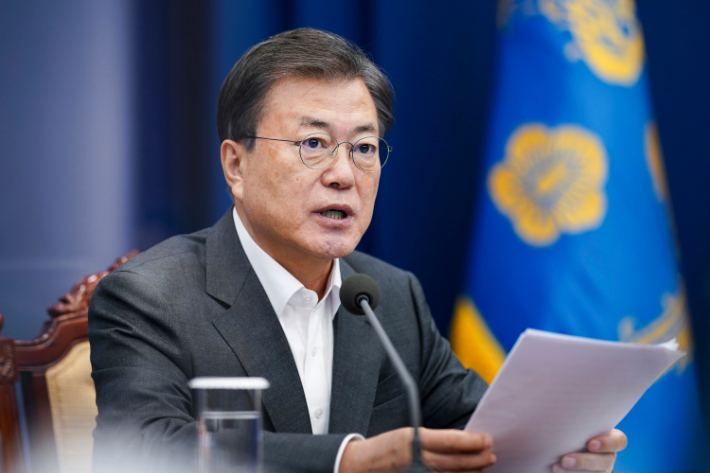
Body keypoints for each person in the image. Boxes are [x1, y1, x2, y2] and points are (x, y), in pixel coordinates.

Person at [89, 28, 627, 473]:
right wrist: (348, 460)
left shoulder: (389, 295)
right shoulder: (150, 297)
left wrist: (555, 453)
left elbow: (478, 432)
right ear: (236, 165)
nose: (344, 175)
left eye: (364, 148)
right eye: (313, 144)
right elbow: (146, 448)